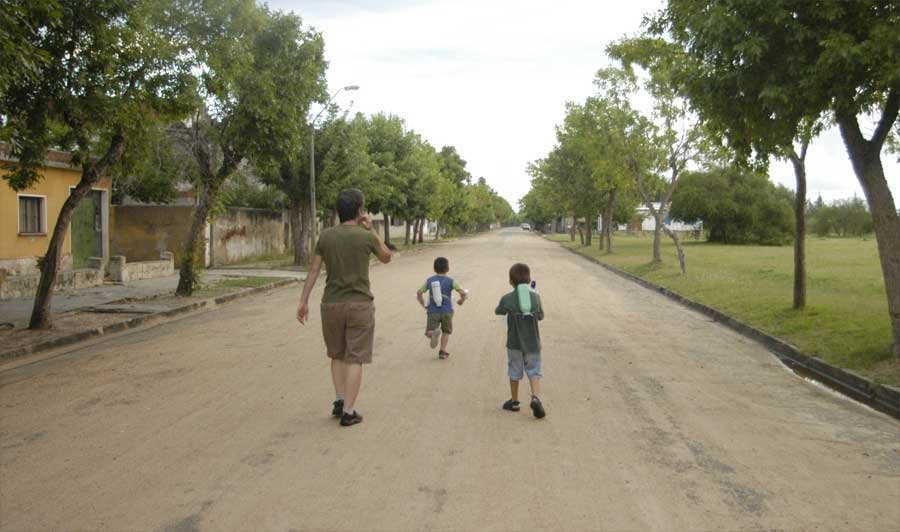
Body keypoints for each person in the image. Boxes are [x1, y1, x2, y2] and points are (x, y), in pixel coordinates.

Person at [296, 188, 392, 427]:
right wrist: (371, 230)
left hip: (331, 304)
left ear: (338, 211)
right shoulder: (365, 236)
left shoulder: (326, 236)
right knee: (355, 357)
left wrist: (303, 300)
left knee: (337, 354)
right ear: (360, 210)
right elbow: (386, 257)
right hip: (359, 304)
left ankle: (339, 400)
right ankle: (349, 411)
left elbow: (315, 270)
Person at [494, 263, 546, 418]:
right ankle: (535, 398)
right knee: (534, 371)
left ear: (511, 281)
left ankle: (515, 402)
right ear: (529, 279)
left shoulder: (508, 299)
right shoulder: (535, 298)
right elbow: (541, 316)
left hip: (514, 344)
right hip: (532, 344)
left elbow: (499, 311)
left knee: (514, 371)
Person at [416, 257, 468, 359]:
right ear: (447, 269)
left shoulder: (430, 281)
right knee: (446, 332)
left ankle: (432, 333)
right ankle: (442, 352)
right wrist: (461, 301)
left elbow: (419, 292)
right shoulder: (451, 281)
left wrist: (422, 303)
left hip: (433, 311)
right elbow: (462, 293)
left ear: (434, 269)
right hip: (447, 311)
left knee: (428, 331)